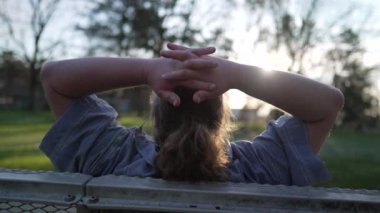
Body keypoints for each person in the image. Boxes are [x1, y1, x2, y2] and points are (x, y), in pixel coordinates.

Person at [40, 43, 344, 186]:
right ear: (222, 116)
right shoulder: (260, 169)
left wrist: (147, 69)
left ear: (157, 112)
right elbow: (327, 104)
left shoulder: (113, 159)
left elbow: (55, 77)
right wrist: (237, 74)